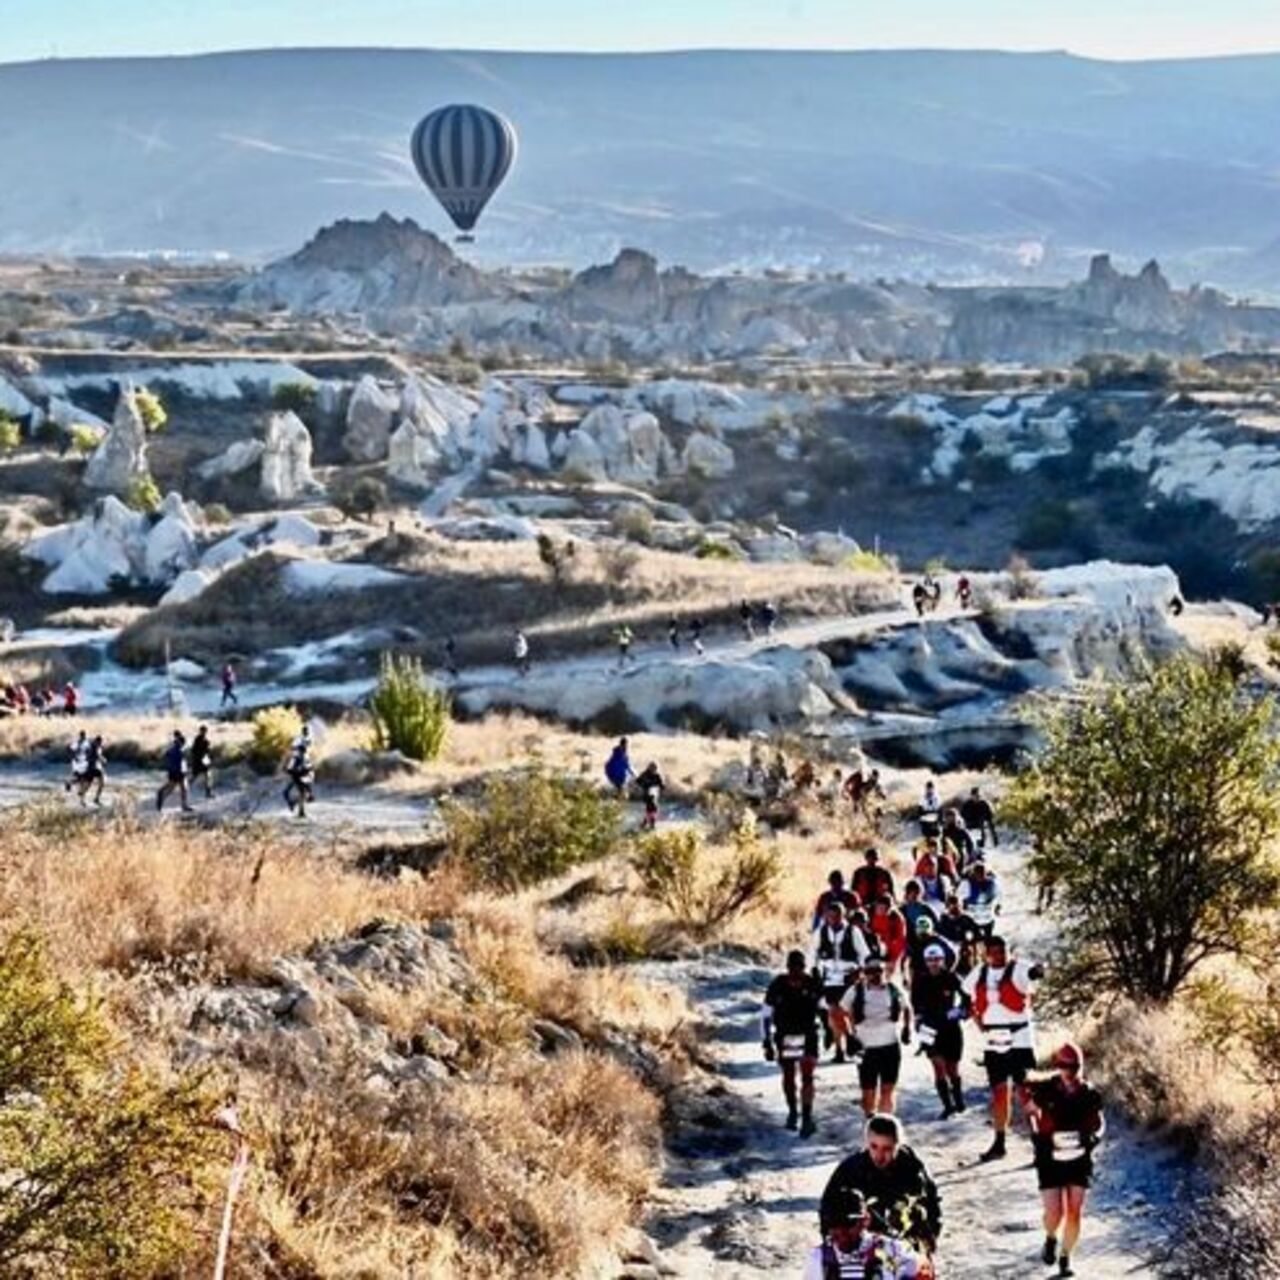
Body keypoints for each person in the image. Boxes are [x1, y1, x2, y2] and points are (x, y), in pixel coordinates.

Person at [961, 935, 1045, 1162]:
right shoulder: (980, 972)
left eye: (1003, 951)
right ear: (986, 953)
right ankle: (999, 1142)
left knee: (1025, 1091)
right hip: (993, 1038)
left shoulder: (1019, 969)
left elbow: (1033, 974)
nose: (1000, 955)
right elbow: (965, 991)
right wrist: (974, 1015)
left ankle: (1040, 1143)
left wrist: (1038, 971)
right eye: (995, 951)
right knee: (999, 1092)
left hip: (1019, 1038)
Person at [1028, 1041, 1106, 1278]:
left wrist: (1094, 1138)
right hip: (1049, 1157)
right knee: (1055, 1212)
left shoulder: (1090, 1093)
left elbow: (1100, 1122)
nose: (1069, 1071)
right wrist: (1037, 1136)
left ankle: (1065, 1257)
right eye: (1064, 1066)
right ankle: (1051, 1238)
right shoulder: (1046, 1088)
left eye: (1073, 1066)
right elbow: (1031, 1112)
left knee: (1074, 1210)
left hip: (1079, 1157)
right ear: (1057, 1065)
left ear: (1081, 1066)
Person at [819, 1114, 942, 1261]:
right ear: (866, 1143)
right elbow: (828, 1209)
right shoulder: (851, 1170)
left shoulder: (913, 1169)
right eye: (874, 1146)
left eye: (887, 1148)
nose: (879, 1155)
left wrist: (929, 1238)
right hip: (862, 1247)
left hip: (906, 1245)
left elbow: (931, 1206)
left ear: (898, 1145)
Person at [762, 950, 824, 1137]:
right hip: (785, 1034)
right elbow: (765, 1014)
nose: (796, 974)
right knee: (789, 1075)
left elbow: (823, 1008)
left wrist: (828, 1030)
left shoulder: (813, 984)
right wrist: (766, 1041)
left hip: (808, 1033)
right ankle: (792, 1111)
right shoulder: (777, 985)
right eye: (792, 969)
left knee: (807, 1075)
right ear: (787, 968)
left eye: (800, 969)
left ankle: (806, 1115)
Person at [841, 955, 909, 1116]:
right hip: (865, 1048)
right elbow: (840, 1012)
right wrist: (849, 1035)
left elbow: (907, 1007)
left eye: (878, 971)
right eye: (870, 971)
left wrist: (907, 1028)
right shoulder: (856, 991)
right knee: (868, 1092)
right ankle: (870, 1121)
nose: (875, 975)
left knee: (888, 1090)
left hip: (890, 1046)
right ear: (864, 973)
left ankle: (886, 1123)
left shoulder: (894, 989)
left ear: (884, 971)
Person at [803, 1189, 921, 1280]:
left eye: (848, 1224)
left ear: (866, 1221)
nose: (840, 1231)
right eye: (833, 1224)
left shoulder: (894, 1251)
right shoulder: (819, 1259)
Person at [912, 942, 970, 1119]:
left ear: (943, 960)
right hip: (930, 1028)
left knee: (953, 1068)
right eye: (930, 960)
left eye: (937, 959)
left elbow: (967, 997)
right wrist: (918, 1020)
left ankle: (959, 1100)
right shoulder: (920, 980)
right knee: (938, 1067)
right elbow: (914, 1003)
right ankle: (947, 1105)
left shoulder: (951, 977)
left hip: (950, 1028)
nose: (934, 963)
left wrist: (960, 1011)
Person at [810, 900, 870, 1063]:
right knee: (833, 1012)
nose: (833, 919)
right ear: (826, 917)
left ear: (843, 916)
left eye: (837, 916)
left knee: (848, 1012)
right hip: (829, 978)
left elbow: (865, 954)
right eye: (830, 916)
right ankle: (842, 1047)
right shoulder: (820, 932)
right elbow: (812, 953)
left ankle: (854, 1042)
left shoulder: (853, 931)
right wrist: (813, 971)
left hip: (849, 976)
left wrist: (860, 971)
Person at [868, 895, 908, 978]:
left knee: (889, 974)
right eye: (878, 907)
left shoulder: (896, 919)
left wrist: (892, 959)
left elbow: (899, 940)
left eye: (883, 908)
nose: (879, 910)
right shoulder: (871, 914)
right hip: (876, 948)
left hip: (892, 949)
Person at [961, 861, 1002, 941]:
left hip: (988, 918)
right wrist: (963, 905)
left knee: (988, 939)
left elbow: (999, 894)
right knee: (974, 940)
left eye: (982, 873)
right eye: (978, 873)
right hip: (973, 919)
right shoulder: (967, 884)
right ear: (974, 873)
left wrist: (998, 906)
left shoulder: (992, 884)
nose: (980, 875)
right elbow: (959, 896)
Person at [156, 730, 193, 813]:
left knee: (178, 788)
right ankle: (161, 794)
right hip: (178, 771)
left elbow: (165, 756)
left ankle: (162, 795)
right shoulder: (179, 748)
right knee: (180, 788)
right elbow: (182, 760)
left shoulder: (173, 747)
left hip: (174, 771)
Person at [283, 725, 315, 818]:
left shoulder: (305, 745)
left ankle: (299, 810)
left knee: (302, 793)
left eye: (307, 731)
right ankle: (298, 808)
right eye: (305, 731)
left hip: (301, 774)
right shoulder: (299, 742)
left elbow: (307, 765)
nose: (306, 732)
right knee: (300, 793)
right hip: (298, 773)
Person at [635, 760, 664, 830]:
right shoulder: (644, 774)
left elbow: (661, 785)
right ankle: (651, 825)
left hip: (654, 794)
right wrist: (643, 786)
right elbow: (638, 781)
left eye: (655, 768)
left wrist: (661, 787)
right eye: (652, 768)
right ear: (649, 767)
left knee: (651, 809)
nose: (654, 770)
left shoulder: (657, 775)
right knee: (652, 808)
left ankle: (645, 824)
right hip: (646, 794)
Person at [189, 724, 215, 799]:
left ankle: (208, 793)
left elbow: (206, 751)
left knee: (208, 776)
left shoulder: (203, 739)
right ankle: (184, 789)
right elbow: (195, 751)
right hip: (199, 761)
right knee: (196, 777)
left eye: (205, 731)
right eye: (203, 731)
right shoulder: (198, 739)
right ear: (201, 731)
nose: (204, 732)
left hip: (202, 761)